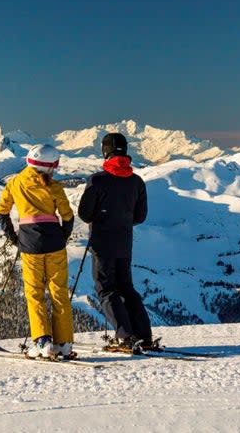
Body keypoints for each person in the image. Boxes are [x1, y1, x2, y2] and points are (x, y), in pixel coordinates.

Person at [0, 144, 75, 359]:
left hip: (30, 243)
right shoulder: (55, 187)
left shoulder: (15, 183)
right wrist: (62, 237)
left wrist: (14, 238)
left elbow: (1, 212)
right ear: (50, 166)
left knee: (34, 293)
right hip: (55, 242)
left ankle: (43, 341)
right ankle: (64, 343)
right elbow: (67, 216)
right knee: (59, 292)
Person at [77, 132, 153, 351]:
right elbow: (140, 217)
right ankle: (144, 336)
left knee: (106, 290)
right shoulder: (136, 181)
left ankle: (125, 336)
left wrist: (102, 216)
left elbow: (84, 213)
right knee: (127, 288)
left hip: (102, 243)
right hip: (125, 243)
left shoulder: (98, 180)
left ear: (105, 151)